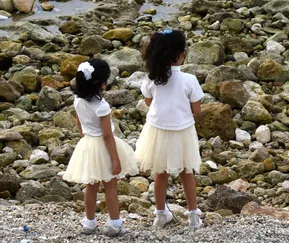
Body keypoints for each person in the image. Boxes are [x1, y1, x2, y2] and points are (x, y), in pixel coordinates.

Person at [135, 29, 204, 229]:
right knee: (187, 172)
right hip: (182, 130)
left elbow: (148, 102)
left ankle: (161, 213)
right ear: (181, 55)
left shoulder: (152, 77)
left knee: (160, 173)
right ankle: (192, 216)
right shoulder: (189, 79)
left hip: (157, 130)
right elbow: (197, 110)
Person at [63, 59, 139, 237]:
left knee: (91, 186)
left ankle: (89, 223)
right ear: (102, 84)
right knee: (110, 186)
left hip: (88, 144)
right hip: (104, 147)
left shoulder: (77, 100)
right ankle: (114, 224)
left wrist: (85, 135)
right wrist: (115, 158)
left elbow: (79, 124)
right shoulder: (102, 106)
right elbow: (107, 135)